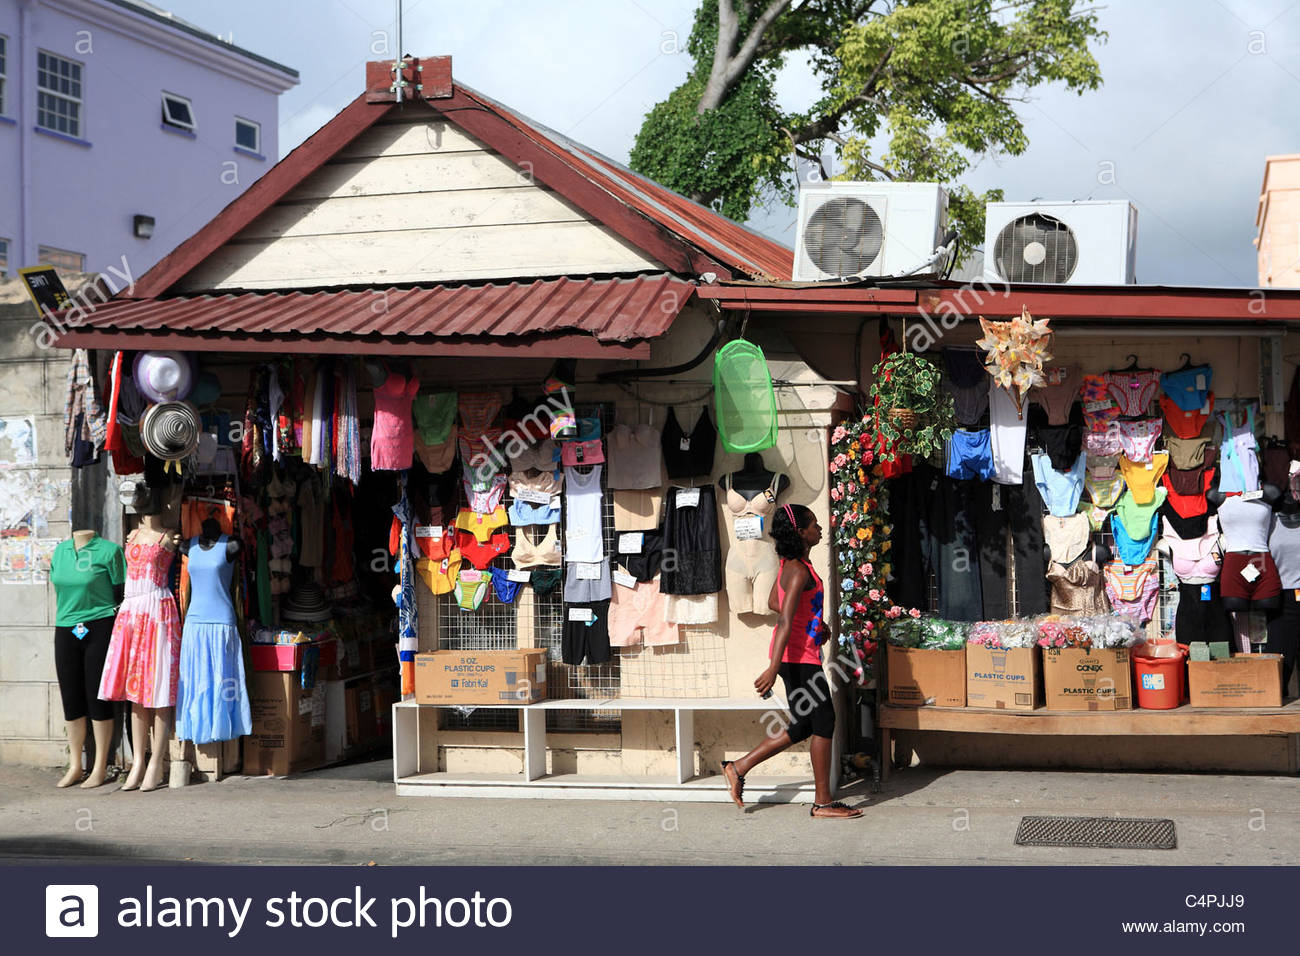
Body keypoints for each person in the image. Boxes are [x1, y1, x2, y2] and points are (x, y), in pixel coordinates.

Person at [722, 503, 862, 819]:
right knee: (825, 721)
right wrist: (772, 667)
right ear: (801, 532)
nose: (820, 528)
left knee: (803, 726)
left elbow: (774, 601)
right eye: (814, 524)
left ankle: (738, 767)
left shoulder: (793, 565)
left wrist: (816, 624)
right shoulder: (797, 570)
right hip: (798, 661)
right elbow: (783, 620)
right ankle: (823, 802)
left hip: (798, 657)